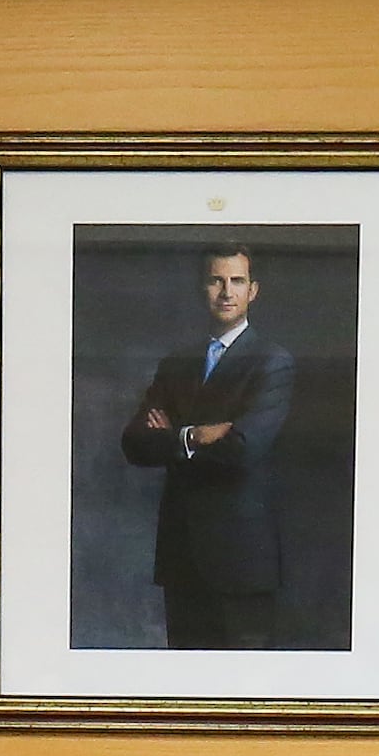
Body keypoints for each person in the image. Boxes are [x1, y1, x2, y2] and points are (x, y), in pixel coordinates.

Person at [117, 244, 296, 650]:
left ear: (253, 290)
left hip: (242, 561)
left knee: (243, 692)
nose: (226, 291)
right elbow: (134, 443)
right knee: (182, 690)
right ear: (203, 288)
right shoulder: (177, 362)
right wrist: (194, 435)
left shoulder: (272, 361)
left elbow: (244, 447)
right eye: (216, 280)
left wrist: (172, 436)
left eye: (237, 281)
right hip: (182, 556)